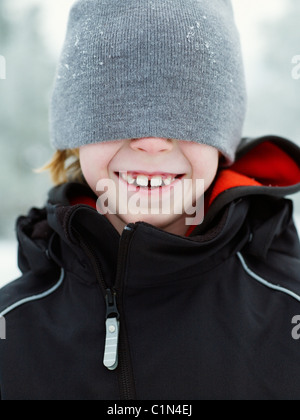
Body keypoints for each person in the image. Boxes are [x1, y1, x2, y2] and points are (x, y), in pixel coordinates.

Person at [1, 0, 300, 401]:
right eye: (117, 104)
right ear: (75, 126)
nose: (153, 142)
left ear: (222, 132)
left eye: (188, 105)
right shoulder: (12, 329)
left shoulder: (289, 315)